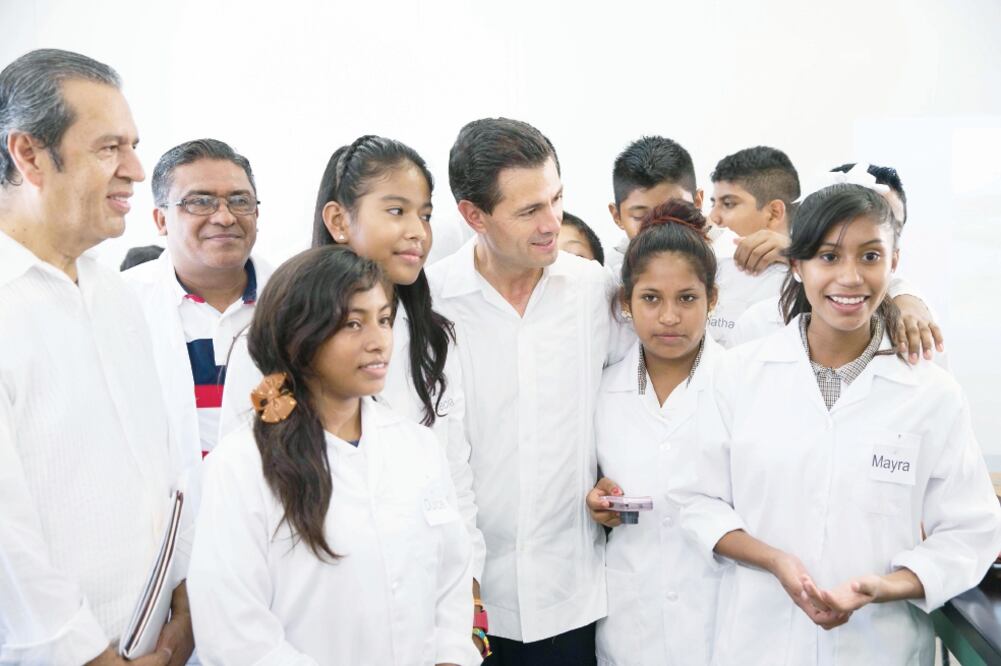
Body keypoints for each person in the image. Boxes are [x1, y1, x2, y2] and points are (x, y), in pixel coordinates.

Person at [674, 183, 1001, 665]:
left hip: (879, 645)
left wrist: (883, 587)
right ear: (798, 264)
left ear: (894, 264)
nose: (850, 278)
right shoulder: (737, 375)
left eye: (870, 256)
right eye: (829, 257)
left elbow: (970, 531)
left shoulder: (931, 394)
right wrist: (776, 561)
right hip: (758, 642)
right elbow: (696, 500)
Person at [218, 135, 487, 655]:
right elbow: (244, 494)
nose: (418, 232)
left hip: (422, 604)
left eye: (425, 214)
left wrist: (467, 590)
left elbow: (454, 477)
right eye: (397, 210)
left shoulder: (433, 338)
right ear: (339, 221)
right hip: (311, 607)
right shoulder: (272, 336)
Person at [188, 245, 479, 666]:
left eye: (383, 319)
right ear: (298, 336)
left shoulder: (417, 447)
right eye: (353, 324)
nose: (378, 341)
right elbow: (234, 634)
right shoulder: (241, 465)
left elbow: (451, 583)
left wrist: (451, 658)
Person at [0, 49, 192, 665]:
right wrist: (84, 655)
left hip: (155, 639)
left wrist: (184, 594)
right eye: (109, 147)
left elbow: (166, 463)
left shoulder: (117, 294)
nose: (136, 169)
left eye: (132, 145)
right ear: (28, 154)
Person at [428, 117, 615, 666]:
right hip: (468, 603)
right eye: (529, 210)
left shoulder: (594, 291)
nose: (552, 222)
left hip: (573, 598)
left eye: (557, 199)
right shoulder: (431, 304)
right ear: (473, 215)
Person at [585, 199, 725, 665]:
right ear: (626, 302)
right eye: (651, 298)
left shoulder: (746, 386)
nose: (669, 317)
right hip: (631, 628)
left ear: (713, 300)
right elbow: (595, 484)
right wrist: (598, 500)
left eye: (687, 298)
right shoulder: (602, 391)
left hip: (723, 624)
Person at [125, 139, 272, 461]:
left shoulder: (295, 301)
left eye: (240, 201)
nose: (225, 217)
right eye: (200, 202)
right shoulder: (121, 302)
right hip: (168, 507)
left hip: (275, 503)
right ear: (161, 220)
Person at [732, 163, 944, 364]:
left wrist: (908, 300)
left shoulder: (917, 323)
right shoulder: (757, 324)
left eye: (892, 223)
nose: (851, 277)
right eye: (830, 255)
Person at [606, 136, 701, 278]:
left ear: (698, 203)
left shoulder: (734, 259)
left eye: (674, 212)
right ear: (617, 216)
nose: (660, 225)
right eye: (641, 217)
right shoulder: (607, 277)